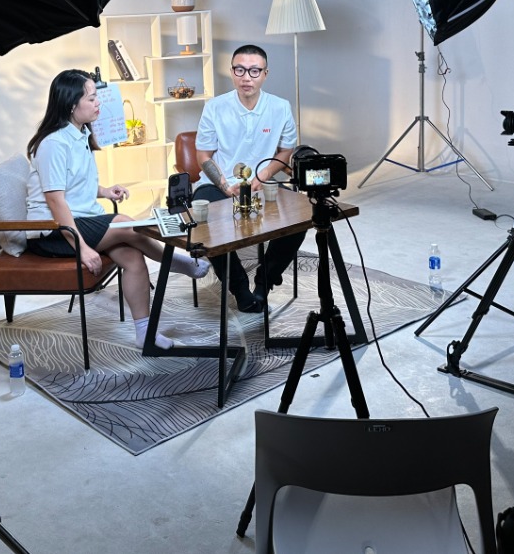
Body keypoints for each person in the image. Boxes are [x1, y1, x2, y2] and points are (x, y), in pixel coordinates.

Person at [25, 69, 210, 349]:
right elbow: (55, 200)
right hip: (53, 232)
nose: (97, 103)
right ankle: (177, 261)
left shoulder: (79, 134)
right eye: (91, 98)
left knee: (133, 258)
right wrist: (82, 248)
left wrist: (104, 191)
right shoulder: (53, 143)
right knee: (127, 224)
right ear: (71, 105)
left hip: (79, 219)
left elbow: (72, 185)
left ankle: (144, 333)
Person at [193, 44, 304, 312]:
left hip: (262, 184)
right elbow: (203, 155)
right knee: (210, 223)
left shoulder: (280, 107)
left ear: (265, 74)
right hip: (218, 184)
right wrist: (223, 185)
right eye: (240, 70)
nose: (246, 77)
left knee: (301, 218)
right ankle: (240, 288)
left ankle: (265, 281)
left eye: (254, 71)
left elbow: (285, 151)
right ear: (232, 72)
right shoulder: (215, 107)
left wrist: (263, 175)